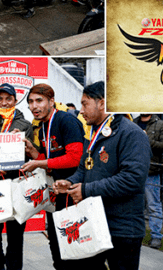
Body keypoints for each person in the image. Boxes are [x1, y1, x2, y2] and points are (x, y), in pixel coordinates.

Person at [53, 81, 151, 270]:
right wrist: (70, 182)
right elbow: (84, 169)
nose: (81, 110)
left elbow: (132, 179)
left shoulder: (132, 134)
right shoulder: (95, 133)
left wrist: (86, 190)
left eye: (85, 104)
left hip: (123, 230)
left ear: (102, 104)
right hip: (95, 224)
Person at [20, 84, 84, 270]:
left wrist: (39, 163)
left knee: (72, 249)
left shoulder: (66, 120)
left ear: (51, 101)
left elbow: (74, 158)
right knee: (56, 245)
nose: (34, 106)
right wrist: (33, 152)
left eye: (39, 100)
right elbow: (50, 160)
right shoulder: (43, 126)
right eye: (30, 102)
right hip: (56, 194)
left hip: (73, 195)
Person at [0, 84, 34, 270]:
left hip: (15, 185)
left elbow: (29, 157)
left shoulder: (25, 125)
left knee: (15, 236)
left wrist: (19, 143)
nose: (3, 102)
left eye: (8, 99)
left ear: (15, 100)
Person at [136, 114, 163, 249]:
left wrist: (146, 139)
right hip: (133, 171)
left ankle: (156, 237)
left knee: (153, 205)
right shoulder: (133, 122)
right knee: (135, 205)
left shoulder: (161, 124)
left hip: (151, 172)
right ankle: (136, 235)